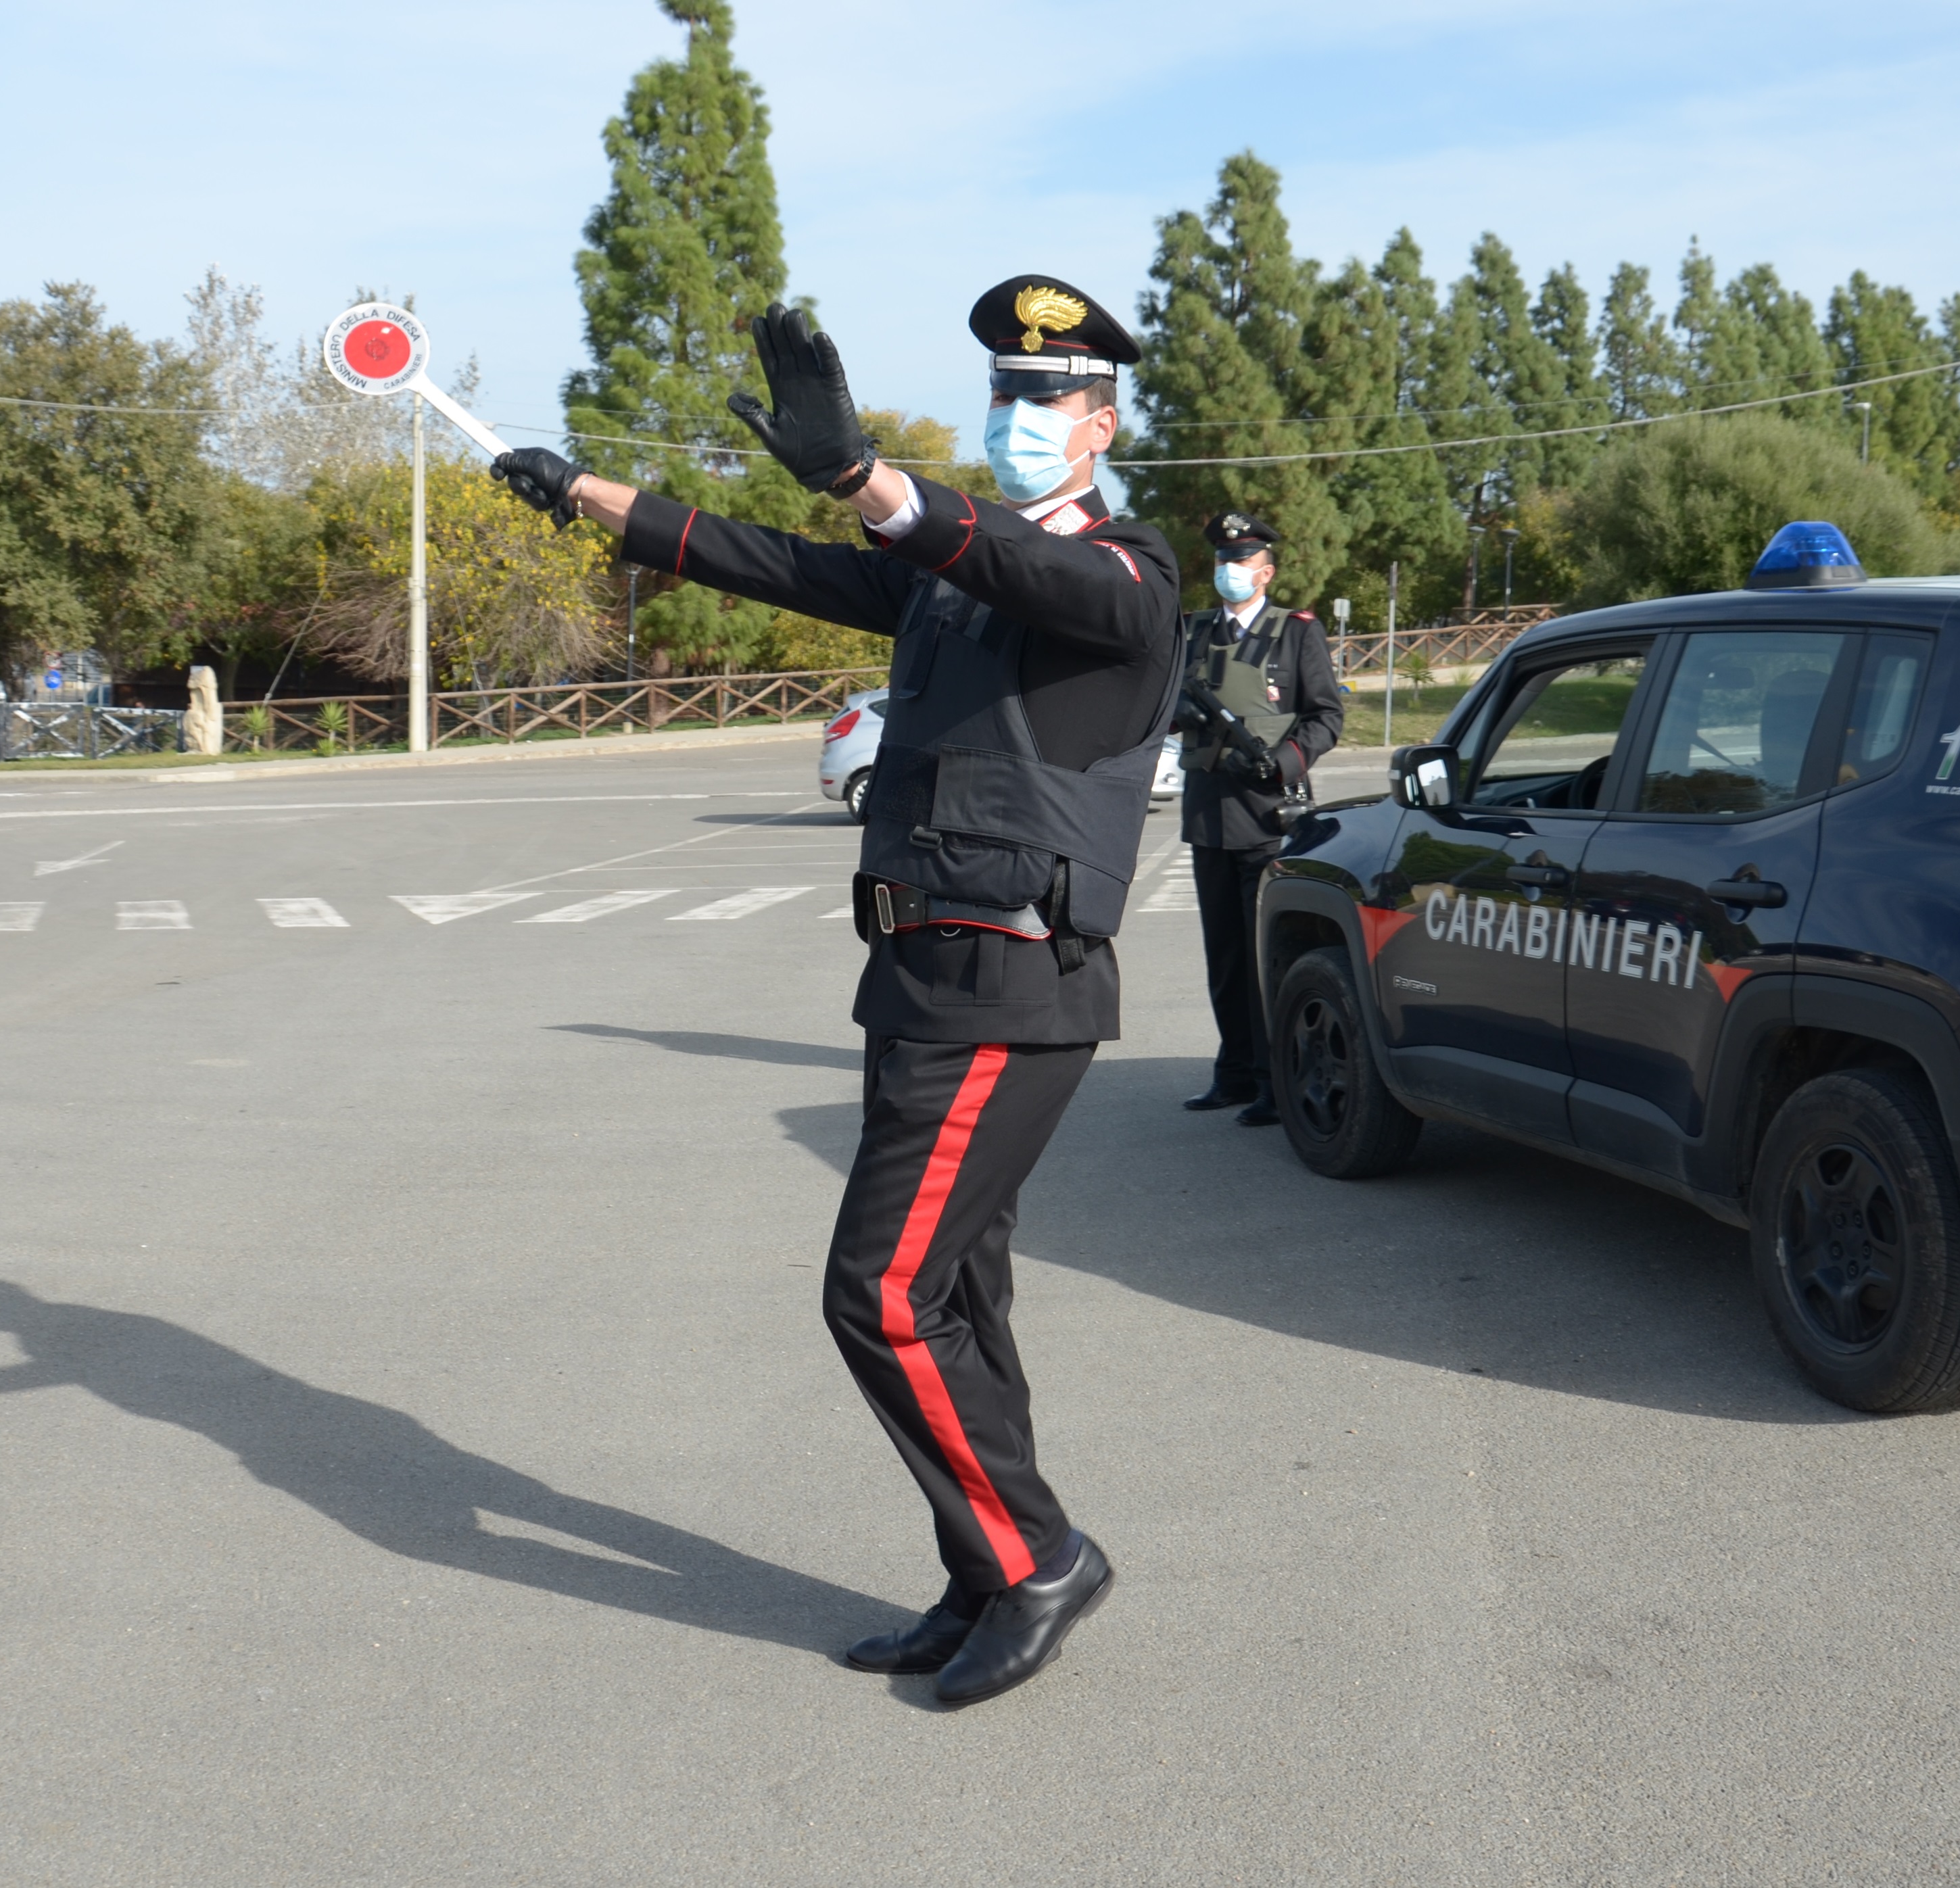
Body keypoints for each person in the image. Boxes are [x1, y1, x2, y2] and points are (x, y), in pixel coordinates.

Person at [490, 277, 1180, 1708]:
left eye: (1049, 398)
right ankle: (983, 1566)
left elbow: (1018, 569)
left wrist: (871, 476)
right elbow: (758, 560)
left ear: (1104, 420)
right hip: (917, 972)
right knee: (961, 1297)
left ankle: (1041, 1557)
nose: (1021, 418)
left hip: (1013, 980)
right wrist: (582, 496)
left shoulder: (1124, 573)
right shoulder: (948, 573)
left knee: (877, 1290)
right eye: (1004, 394)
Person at [1174, 511, 1344, 1125]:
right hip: (1208, 817)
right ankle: (1234, 1073)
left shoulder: (1297, 632)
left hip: (1269, 818)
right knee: (1223, 956)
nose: (1228, 570)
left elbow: (1325, 716)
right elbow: (1166, 706)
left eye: (1240, 561)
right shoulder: (1195, 631)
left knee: (1264, 958)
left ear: (1265, 572)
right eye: (1222, 559)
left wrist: (1284, 762)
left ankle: (1276, 1080)